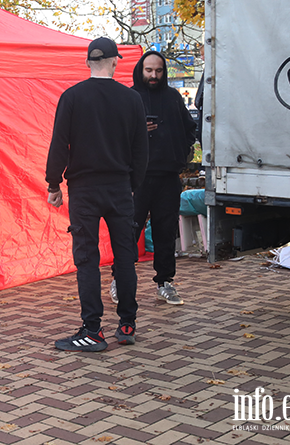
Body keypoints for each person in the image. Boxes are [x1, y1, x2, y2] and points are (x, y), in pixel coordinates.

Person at [45, 37, 148, 352]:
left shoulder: (72, 97)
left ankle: (92, 330)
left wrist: (53, 184)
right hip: (119, 187)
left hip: (84, 190)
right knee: (125, 258)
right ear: (116, 62)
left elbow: (59, 144)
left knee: (87, 259)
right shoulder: (132, 100)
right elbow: (141, 151)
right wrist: (133, 184)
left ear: (88, 62)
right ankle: (127, 324)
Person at [116, 50, 197, 306]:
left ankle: (165, 282)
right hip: (135, 178)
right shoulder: (128, 97)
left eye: (159, 71)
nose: (154, 75)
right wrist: (138, 129)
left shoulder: (173, 97)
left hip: (168, 176)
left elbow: (189, 129)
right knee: (128, 231)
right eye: (149, 70)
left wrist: (182, 156)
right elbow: (114, 136)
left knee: (165, 231)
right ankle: (120, 280)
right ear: (141, 70)